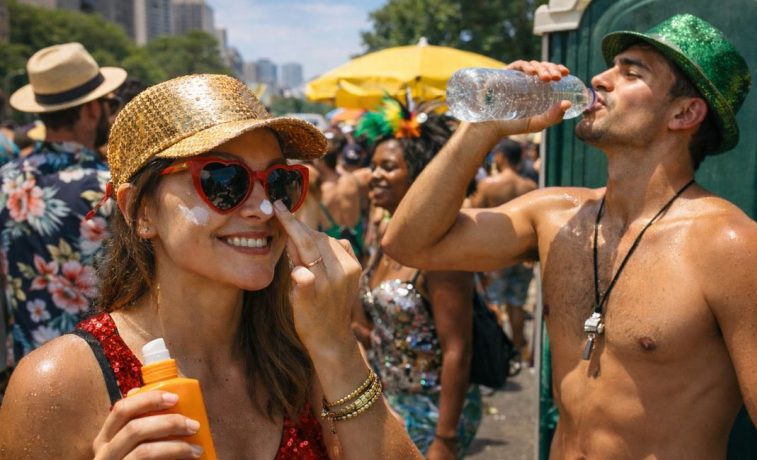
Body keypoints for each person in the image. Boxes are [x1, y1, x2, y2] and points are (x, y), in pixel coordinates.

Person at [383, 14, 757, 458]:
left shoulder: (729, 247)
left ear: (684, 112)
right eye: (610, 66)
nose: (598, 79)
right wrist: (484, 124)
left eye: (630, 71)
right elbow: (411, 244)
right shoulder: (554, 215)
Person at [0, 74, 421, 459]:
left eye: (279, 182)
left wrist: (337, 346)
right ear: (139, 210)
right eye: (223, 181)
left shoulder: (306, 352)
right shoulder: (57, 383)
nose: (262, 208)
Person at [353, 98, 481, 459]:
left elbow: (459, 349)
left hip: (432, 411)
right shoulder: (382, 240)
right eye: (373, 166)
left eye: (388, 167)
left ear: (421, 177)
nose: (374, 175)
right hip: (388, 402)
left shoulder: (441, 253)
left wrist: (446, 437)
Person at [0, 43, 126, 393]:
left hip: (29, 372)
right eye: (108, 105)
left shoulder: (6, 180)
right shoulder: (112, 188)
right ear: (90, 110)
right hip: (106, 372)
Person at [470, 138, 537, 361]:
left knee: (495, 303)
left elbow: (472, 217)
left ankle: (498, 353)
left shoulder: (489, 185)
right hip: (523, 254)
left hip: (495, 255)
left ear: (501, 157)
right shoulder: (529, 187)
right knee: (516, 304)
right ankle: (517, 349)